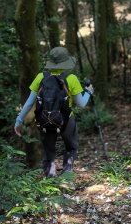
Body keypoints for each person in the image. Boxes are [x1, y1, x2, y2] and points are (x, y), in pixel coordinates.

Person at [14, 46, 93, 177]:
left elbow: (29, 103)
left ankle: (50, 182)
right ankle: (67, 178)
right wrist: (89, 92)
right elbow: (81, 104)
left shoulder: (40, 77)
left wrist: (19, 120)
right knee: (71, 147)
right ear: (66, 62)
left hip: (45, 120)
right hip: (67, 120)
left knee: (48, 152)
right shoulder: (71, 78)